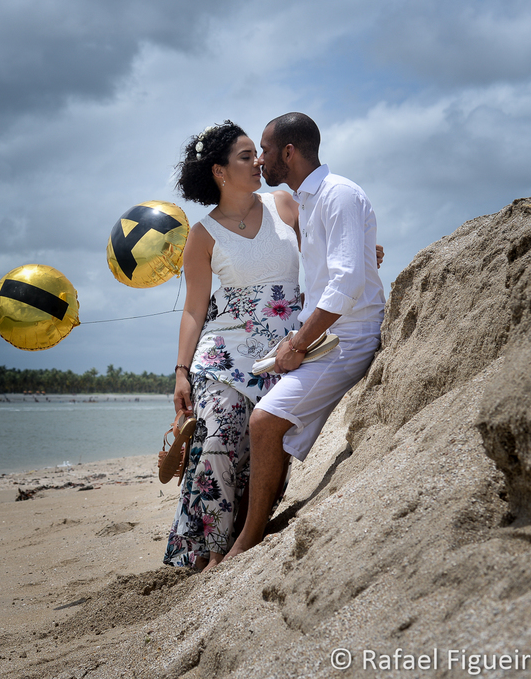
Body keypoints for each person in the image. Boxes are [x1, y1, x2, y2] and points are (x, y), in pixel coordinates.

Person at [223, 112, 386, 561]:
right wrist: (297, 340)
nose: (260, 160)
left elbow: (347, 283)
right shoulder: (308, 201)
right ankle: (252, 518)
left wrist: (296, 344)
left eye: (266, 150)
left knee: (264, 421)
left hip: (349, 339)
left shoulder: (338, 195)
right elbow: (334, 272)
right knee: (252, 409)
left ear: (289, 153)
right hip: (322, 336)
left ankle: (249, 539)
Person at [163, 120, 304, 570]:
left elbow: (322, 251)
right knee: (220, 441)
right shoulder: (203, 234)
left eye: (256, 154)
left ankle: (246, 530)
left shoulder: (283, 203)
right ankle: (212, 554)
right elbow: (193, 309)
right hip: (222, 354)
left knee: (257, 446)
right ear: (219, 171)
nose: (259, 162)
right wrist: (181, 372)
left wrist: (364, 250)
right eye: (246, 157)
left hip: (284, 346)